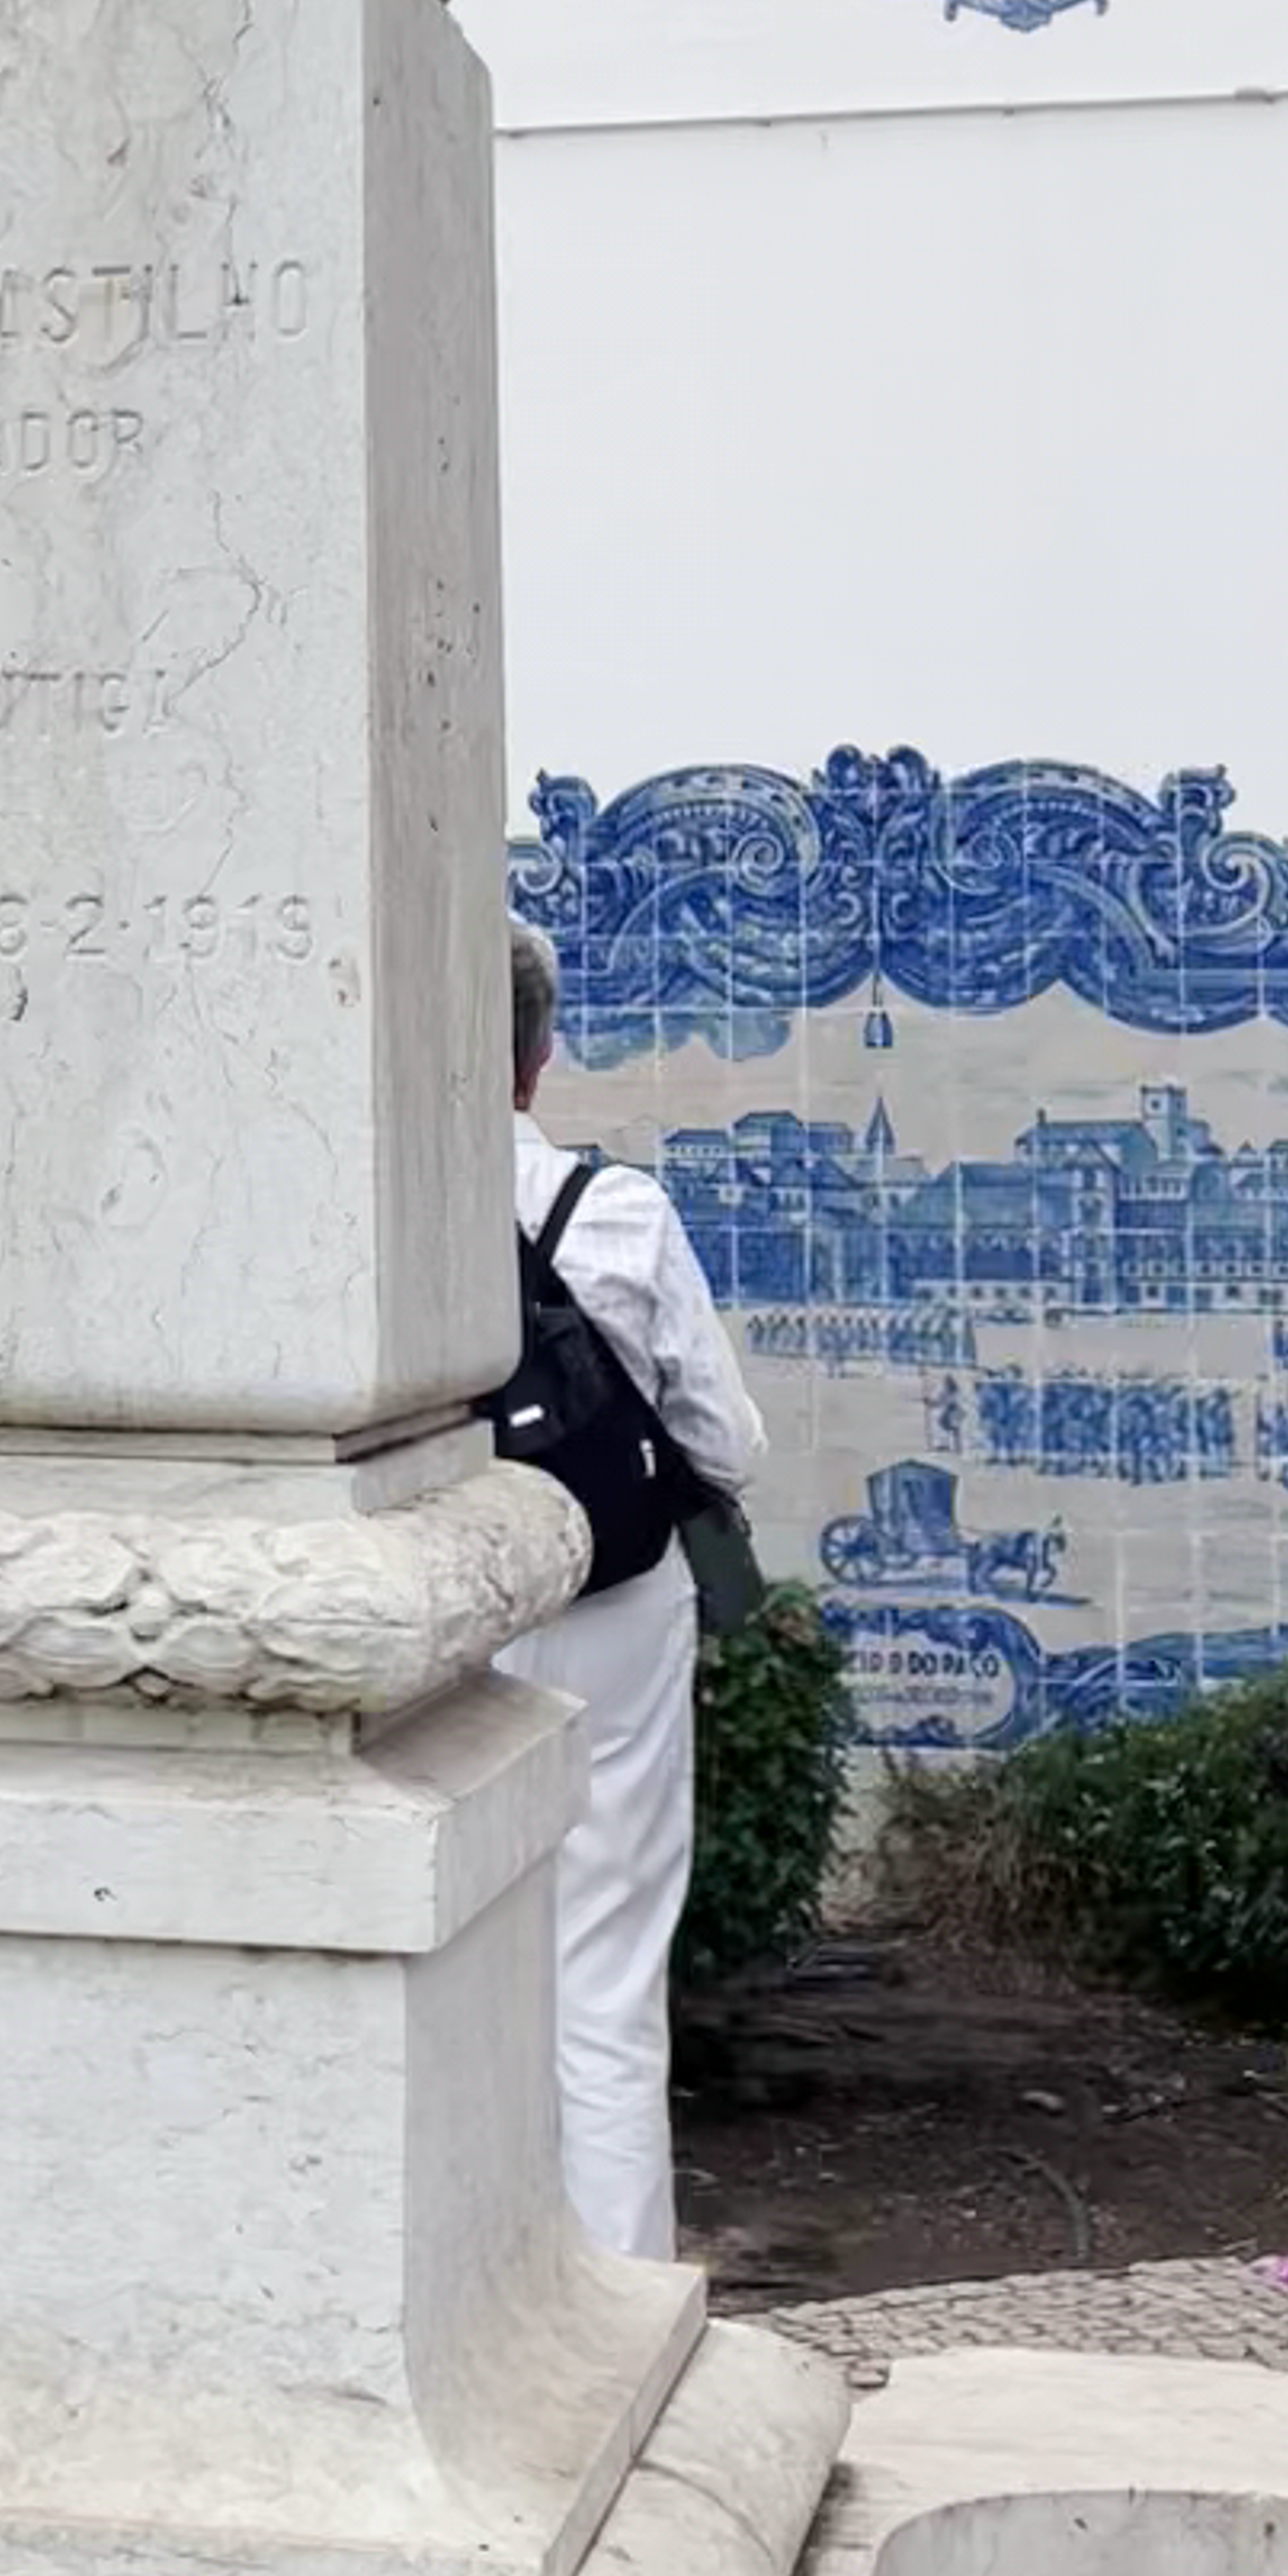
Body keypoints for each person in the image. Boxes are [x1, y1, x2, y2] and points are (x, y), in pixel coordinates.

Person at [495, 919, 766, 2262]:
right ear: (537, 1055)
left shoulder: (365, 1217)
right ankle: (619, 2293)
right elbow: (728, 1444)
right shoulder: (618, 1211)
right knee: (602, 1979)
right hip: (614, 1608)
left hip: (441, 1624)